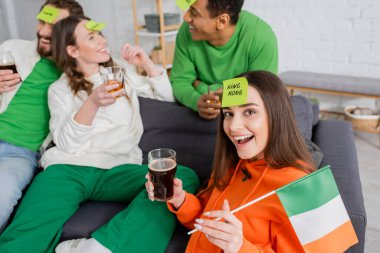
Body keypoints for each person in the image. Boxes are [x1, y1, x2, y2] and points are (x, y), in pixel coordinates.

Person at [0, 16, 200, 253]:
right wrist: (92, 103)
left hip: (117, 168)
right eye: (92, 37)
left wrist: (145, 62)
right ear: (73, 50)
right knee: (27, 233)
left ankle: (99, 248)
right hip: (67, 169)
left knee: (180, 178)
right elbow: (67, 144)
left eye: (100, 35)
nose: (102, 41)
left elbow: (167, 98)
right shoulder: (59, 89)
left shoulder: (119, 76)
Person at [147, 71, 316, 252]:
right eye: (228, 114)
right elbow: (206, 220)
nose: (233, 126)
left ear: (277, 115)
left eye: (249, 112)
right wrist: (180, 199)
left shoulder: (301, 188)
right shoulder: (232, 163)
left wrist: (240, 247)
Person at [0, 0, 84, 234]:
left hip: (20, 154)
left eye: (54, 26)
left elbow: (149, 88)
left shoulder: (81, 67)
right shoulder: (12, 49)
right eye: (42, 21)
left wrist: (147, 66)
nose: (43, 31)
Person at [170, 0, 278, 120]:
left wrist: (202, 88)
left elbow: (259, 92)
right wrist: (196, 101)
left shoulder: (261, 37)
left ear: (221, 21)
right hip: (200, 114)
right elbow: (179, 81)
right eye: (189, 9)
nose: (186, 17)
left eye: (194, 13)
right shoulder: (188, 31)